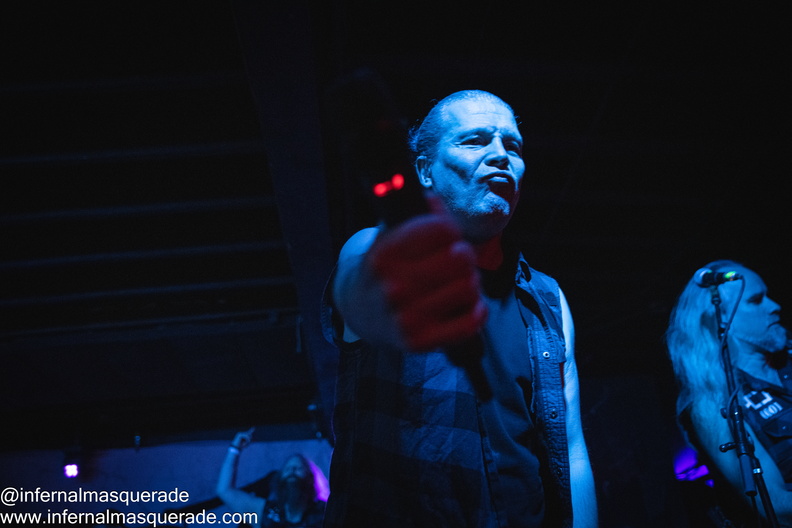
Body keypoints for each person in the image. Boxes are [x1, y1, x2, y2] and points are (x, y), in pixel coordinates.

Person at [322, 90, 597, 527]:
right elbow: (362, 289)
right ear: (424, 171)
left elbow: (572, 446)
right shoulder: (372, 246)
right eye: (474, 141)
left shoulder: (548, 297)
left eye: (513, 146)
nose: (501, 155)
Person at [667, 260, 790, 526]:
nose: (774, 306)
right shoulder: (712, 402)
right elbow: (776, 506)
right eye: (756, 300)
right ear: (723, 319)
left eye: (768, 296)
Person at [216, 429, 326, 528]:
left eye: (298, 468)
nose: (292, 471)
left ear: (310, 478)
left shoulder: (324, 513)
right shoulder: (268, 513)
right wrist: (234, 449)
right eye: (287, 469)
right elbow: (225, 491)